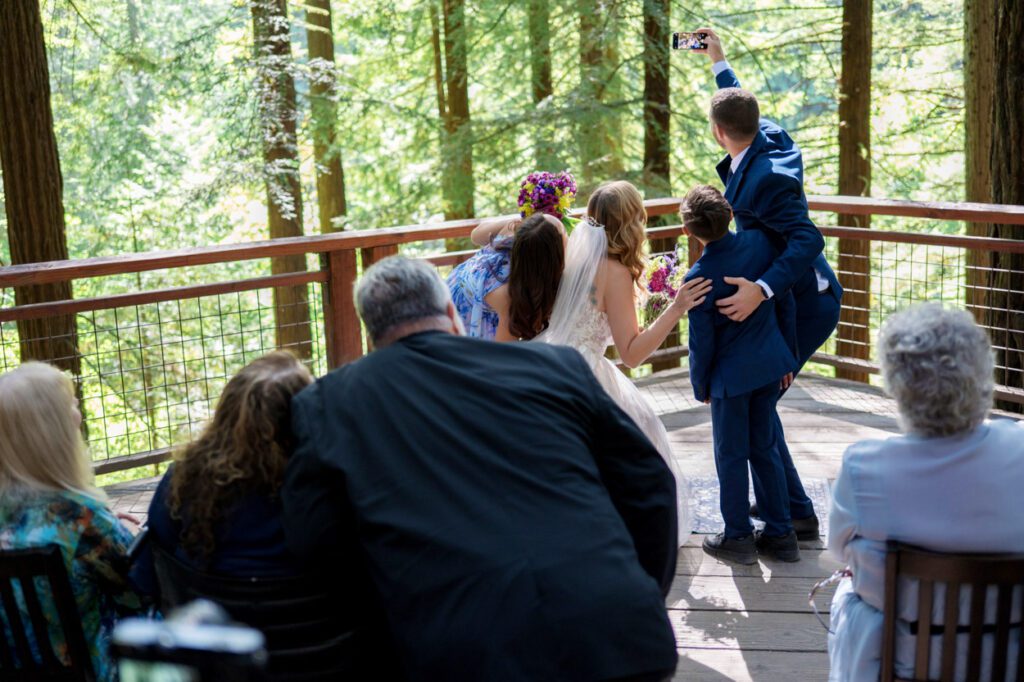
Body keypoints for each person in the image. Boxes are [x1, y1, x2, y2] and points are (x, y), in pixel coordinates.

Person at [282, 256, 680, 682]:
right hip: (619, 631)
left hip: (460, 652)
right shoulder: (555, 366)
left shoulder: (327, 405)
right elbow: (650, 483)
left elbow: (315, 543)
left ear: (371, 334)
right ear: (451, 314)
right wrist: (637, 589)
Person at [694, 29, 843, 540]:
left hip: (806, 301)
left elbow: (808, 238)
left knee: (762, 399)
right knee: (762, 402)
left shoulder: (765, 180)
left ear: (718, 132)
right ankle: (790, 506)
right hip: (790, 296)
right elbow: (739, 104)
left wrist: (761, 288)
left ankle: (793, 512)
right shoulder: (767, 133)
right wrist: (719, 62)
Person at [827, 304, 1024, 681]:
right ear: (982, 373)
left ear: (896, 384)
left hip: (903, 664)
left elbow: (838, 549)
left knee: (850, 590)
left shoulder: (864, 467)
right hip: (1006, 663)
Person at [536, 179, 712, 544]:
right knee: (636, 442)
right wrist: (677, 308)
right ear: (632, 221)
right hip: (584, 373)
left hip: (549, 360)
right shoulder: (615, 273)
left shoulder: (575, 257)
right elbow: (632, 355)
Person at [0, 362, 144, 682]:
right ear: (54, 437)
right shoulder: (81, 520)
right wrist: (130, 536)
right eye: (71, 408)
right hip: (96, 671)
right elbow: (138, 595)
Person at [681, 185, 799, 565]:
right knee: (765, 447)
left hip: (730, 381)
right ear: (730, 214)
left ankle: (737, 537)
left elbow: (702, 342)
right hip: (769, 367)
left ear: (688, 231)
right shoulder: (762, 244)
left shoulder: (698, 278)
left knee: (730, 455)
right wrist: (787, 357)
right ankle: (781, 534)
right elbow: (784, 298)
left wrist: (700, 385)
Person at [131, 351, 313, 593]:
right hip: (318, 616)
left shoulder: (185, 479)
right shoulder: (325, 482)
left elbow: (148, 573)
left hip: (206, 615)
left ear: (226, 412)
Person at [447, 212, 566, 341]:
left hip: (456, 286)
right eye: (565, 233)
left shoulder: (518, 237)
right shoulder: (510, 296)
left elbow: (475, 236)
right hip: (459, 314)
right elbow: (504, 350)